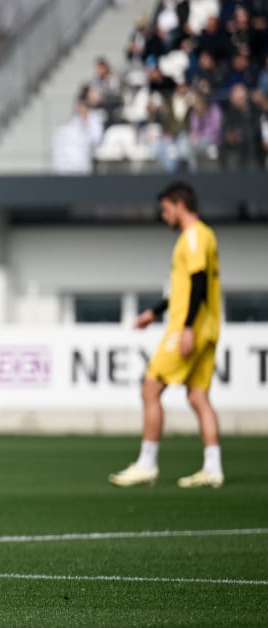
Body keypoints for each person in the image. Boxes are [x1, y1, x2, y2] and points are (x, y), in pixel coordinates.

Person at [110, 182, 224, 489]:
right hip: (209, 328)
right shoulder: (206, 235)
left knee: (150, 389)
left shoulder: (192, 237)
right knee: (198, 395)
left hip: (190, 329)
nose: (164, 216)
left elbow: (198, 282)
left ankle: (147, 463)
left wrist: (186, 327)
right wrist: (155, 311)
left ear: (179, 204)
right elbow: (185, 289)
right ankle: (213, 468)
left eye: (165, 209)